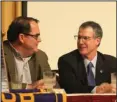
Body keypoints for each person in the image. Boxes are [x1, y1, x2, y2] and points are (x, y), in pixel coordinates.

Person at [58, 21, 116, 93]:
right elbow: (70, 88)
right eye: (79, 37)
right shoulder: (66, 61)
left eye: (85, 38)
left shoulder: (111, 62)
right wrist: (97, 90)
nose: (80, 42)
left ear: (97, 41)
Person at [3, 16, 51, 89]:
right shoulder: (2, 53)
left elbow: (51, 83)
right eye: (36, 36)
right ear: (21, 38)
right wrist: (29, 87)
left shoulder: (41, 56)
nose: (39, 40)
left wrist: (46, 86)